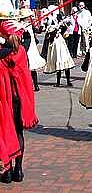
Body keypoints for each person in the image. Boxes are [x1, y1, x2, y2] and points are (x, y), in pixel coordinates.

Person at [0, 19, 39, 183]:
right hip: (20, 100)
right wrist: (23, 28)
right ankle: (19, 170)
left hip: (5, 100)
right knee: (18, 133)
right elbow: (29, 38)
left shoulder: (1, 53)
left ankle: (7, 171)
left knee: (5, 133)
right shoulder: (22, 50)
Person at [18, 9, 46, 92]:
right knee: (27, 68)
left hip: (32, 47)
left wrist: (41, 26)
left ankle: (36, 85)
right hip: (25, 47)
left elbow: (37, 31)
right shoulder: (20, 25)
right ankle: (28, 85)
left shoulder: (30, 25)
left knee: (32, 68)